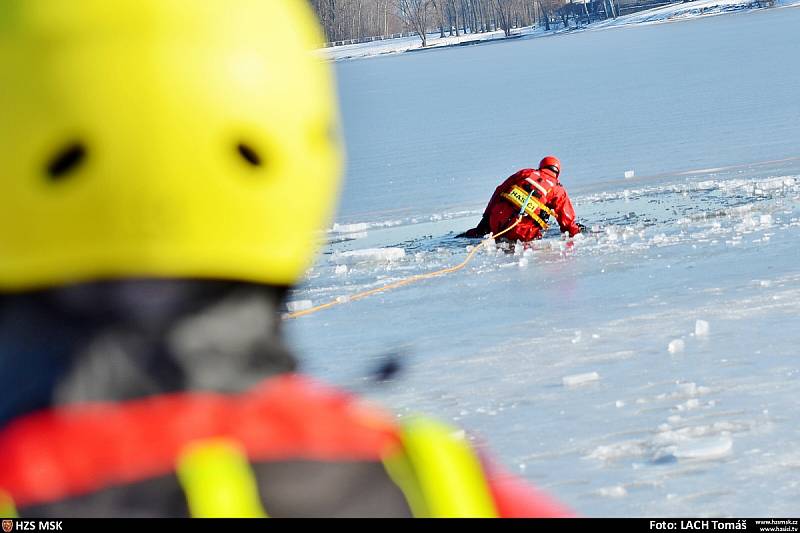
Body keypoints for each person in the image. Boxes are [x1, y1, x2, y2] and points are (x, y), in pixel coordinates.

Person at [0, 0, 572, 518]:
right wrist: (567, 231)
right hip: (516, 232)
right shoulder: (442, 490)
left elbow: (495, 198)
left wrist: (486, 227)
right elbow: (562, 215)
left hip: (498, 223)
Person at [462, 156, 583, 242]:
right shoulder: (558, 189)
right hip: (523, 233)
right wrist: (575, 232)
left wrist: (486, 220)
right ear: (557, 173)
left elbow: (499, 191)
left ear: (541, 166)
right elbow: (567, 220)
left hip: (496, 222)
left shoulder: (525, 173)